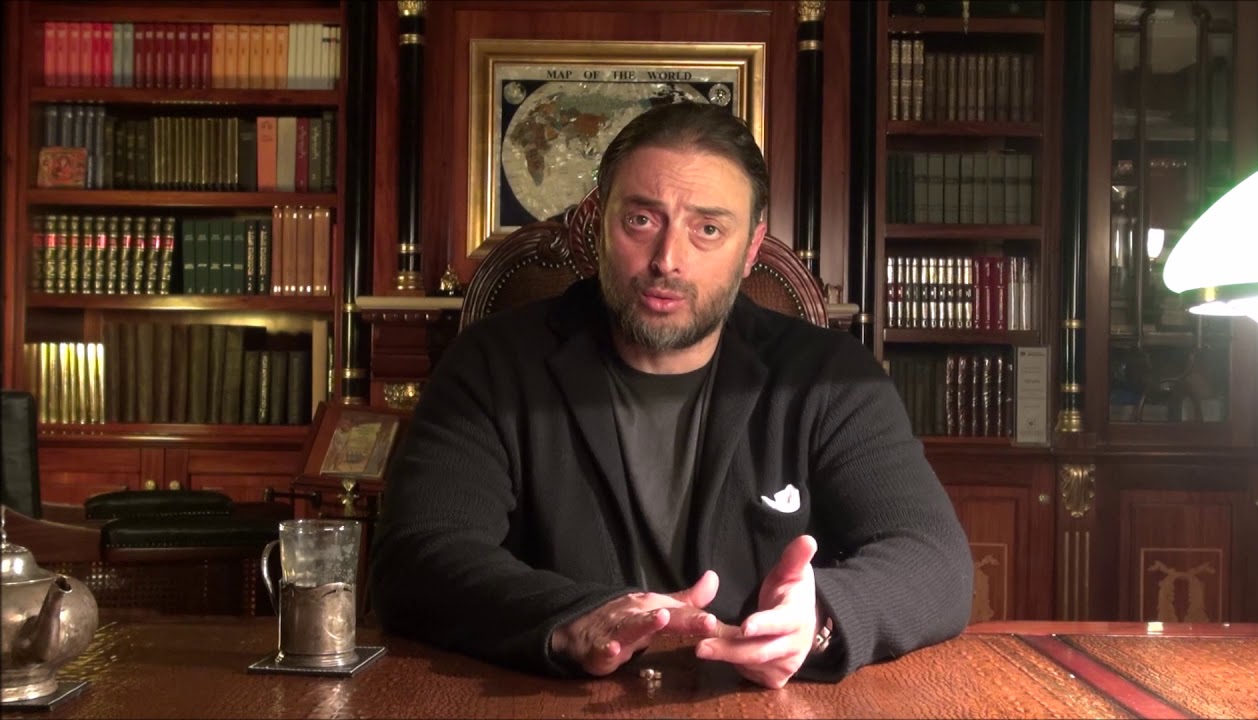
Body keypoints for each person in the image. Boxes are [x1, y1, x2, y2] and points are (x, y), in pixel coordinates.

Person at [371, 101, 973, 688]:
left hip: (755, 700)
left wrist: (815, 619)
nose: (668, 260)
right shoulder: (490, 364)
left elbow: (933, 559)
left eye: (708, 229)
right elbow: (417, 555)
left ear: (751, 249)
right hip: (551, 699)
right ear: (597, 222)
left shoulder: (832, 378)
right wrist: (574, 617)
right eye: (641, 220)